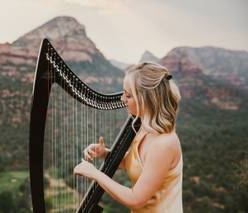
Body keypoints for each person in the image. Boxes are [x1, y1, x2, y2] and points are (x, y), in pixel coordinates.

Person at [74, 62, 183, 212]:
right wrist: (105, 153)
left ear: (146, 99)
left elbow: (135, 200)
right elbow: (137, 164)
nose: (122, 99)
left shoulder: (163, 144)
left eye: (128, 95)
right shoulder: (144, 128)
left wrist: (95, 174)